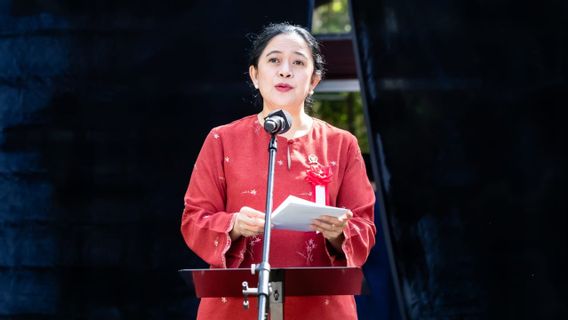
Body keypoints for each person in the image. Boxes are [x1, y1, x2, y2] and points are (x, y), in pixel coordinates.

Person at [181, 22, 376, 319]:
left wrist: (339, 232)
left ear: (314, 80)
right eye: (274, 60)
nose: (285, 70)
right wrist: (233, 224)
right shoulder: (221, 140)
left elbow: (364, 226)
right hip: (239, 305)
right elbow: (194, 220)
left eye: (298, 62)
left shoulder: (341, 144)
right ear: (255, 76)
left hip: (319, 308)